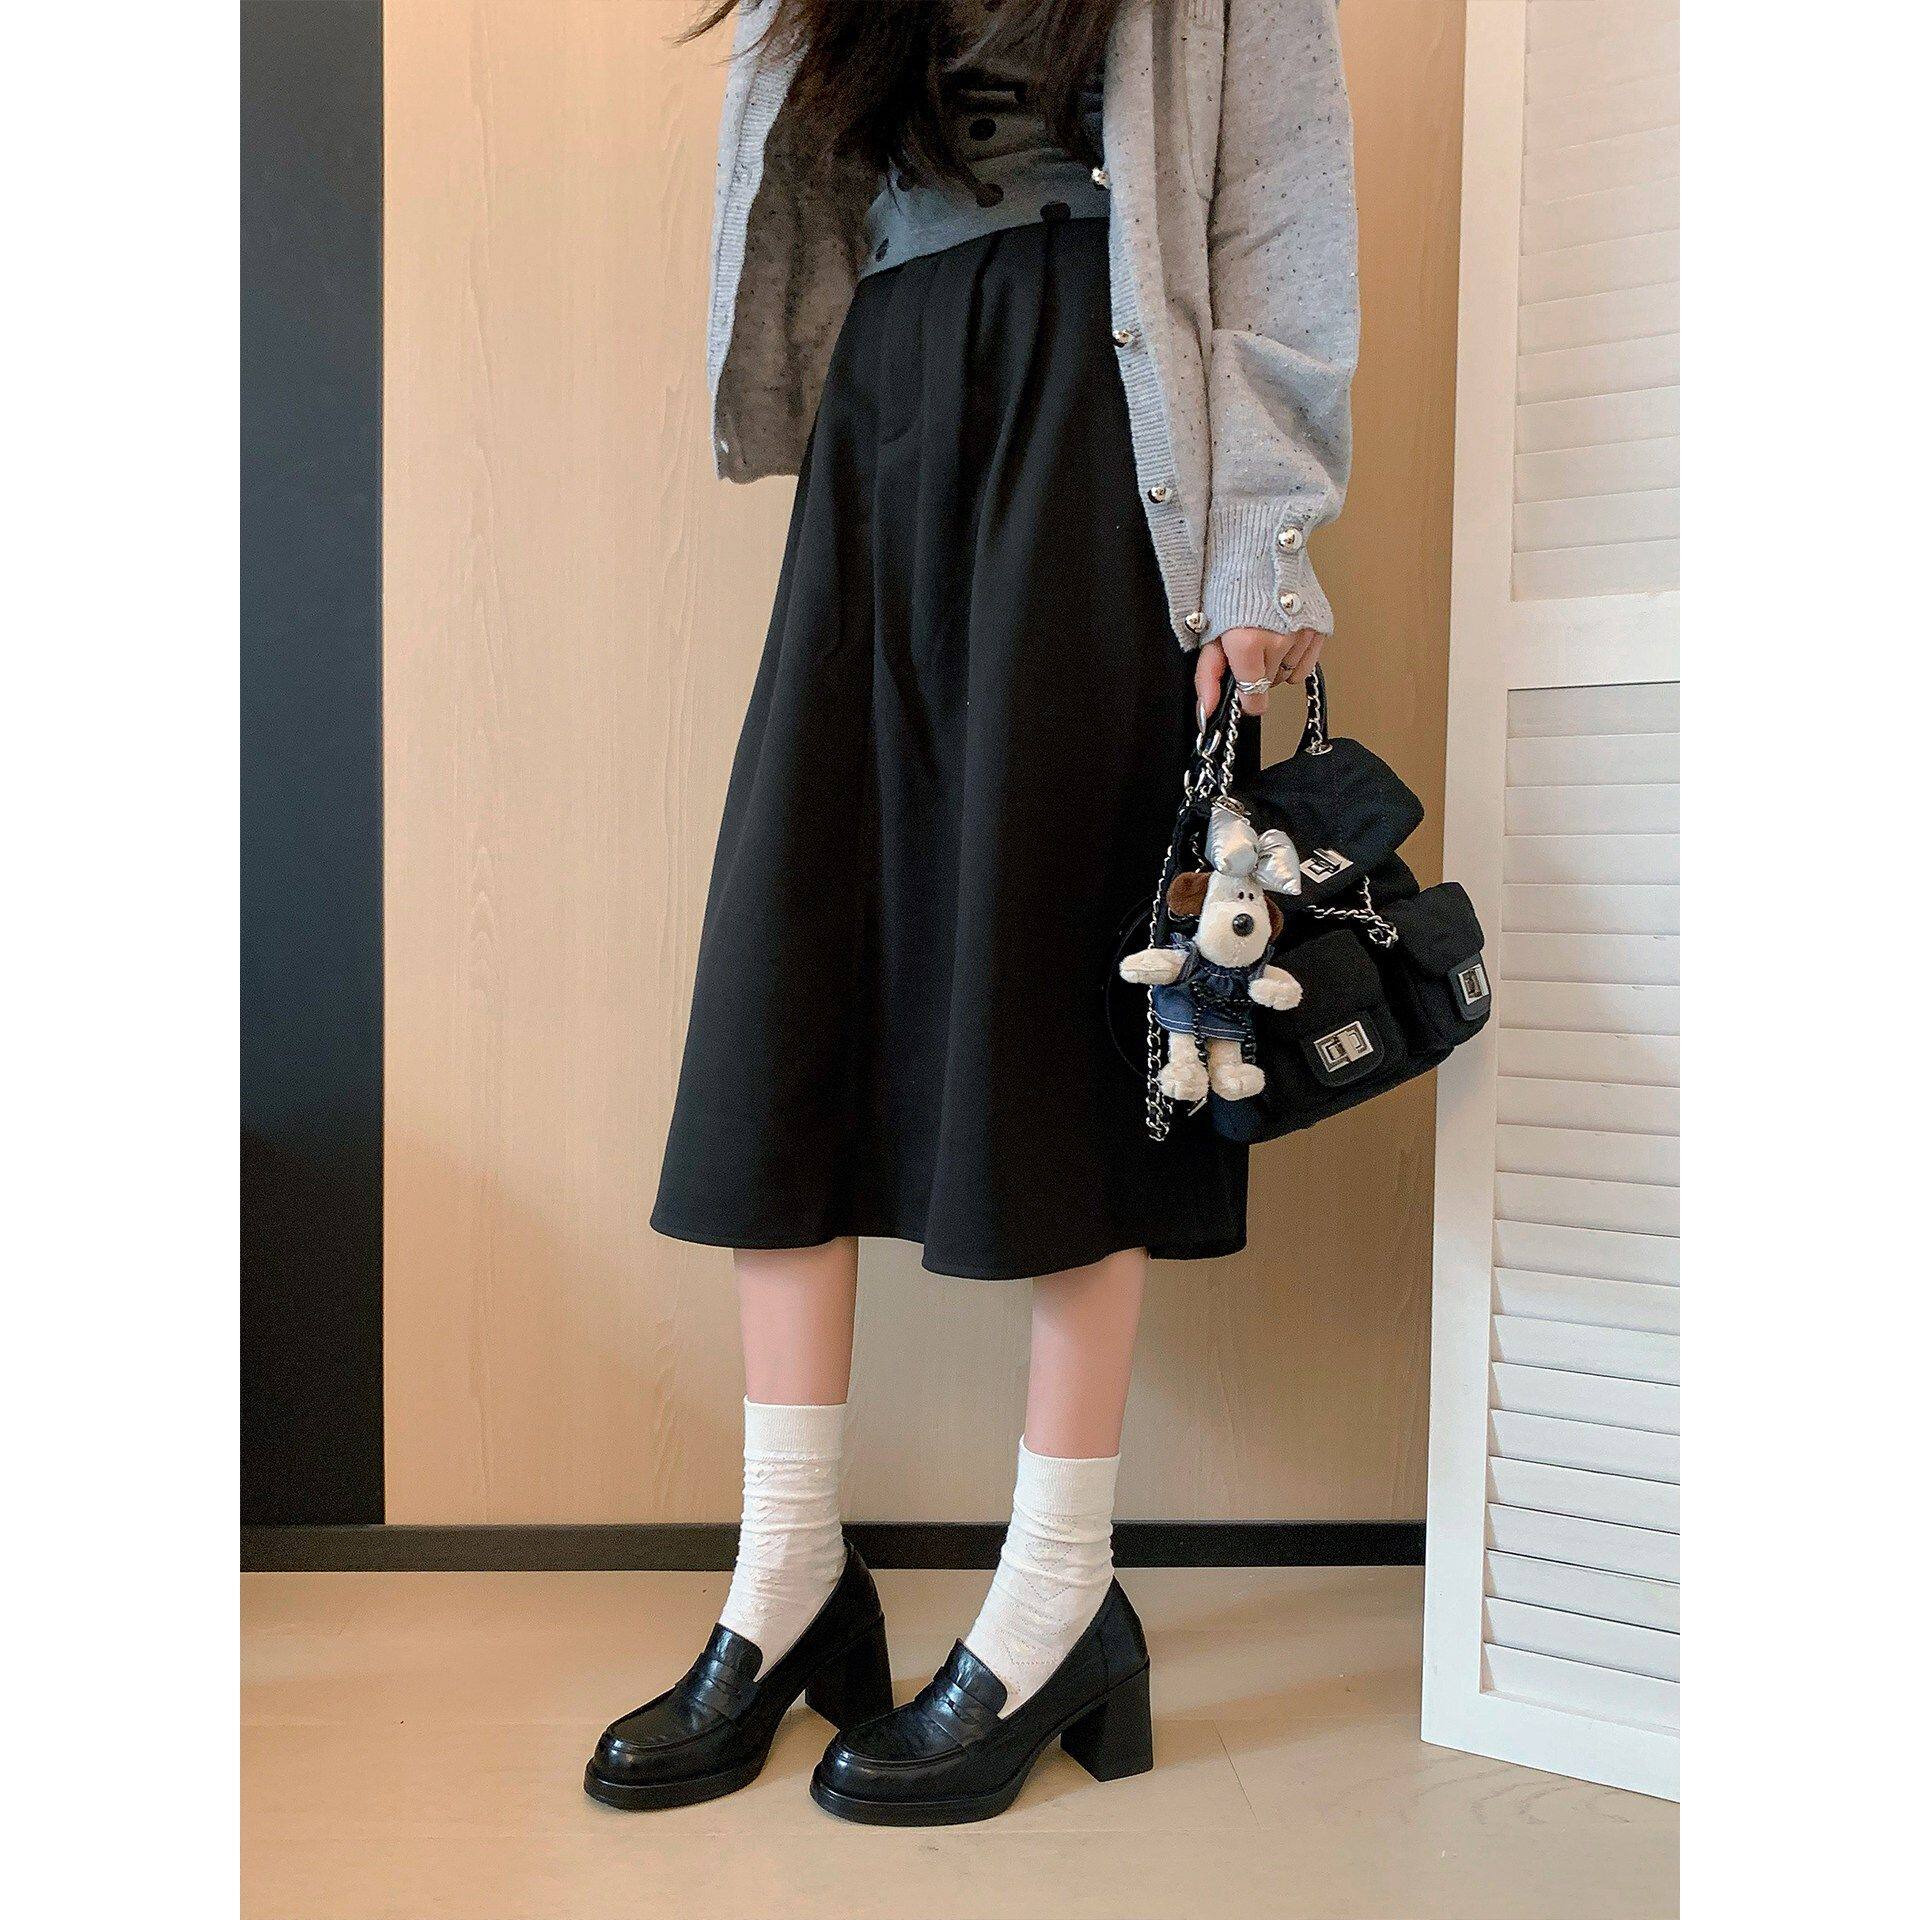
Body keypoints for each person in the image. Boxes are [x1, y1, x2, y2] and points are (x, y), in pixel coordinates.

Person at [586, 0, 1357, 1826]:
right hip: (890, 405)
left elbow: (1277, 208)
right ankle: (790, 1573)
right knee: (799, 967)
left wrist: (1263, 550)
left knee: (1065, 984)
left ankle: (1059, 1592)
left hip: (1101, 414)